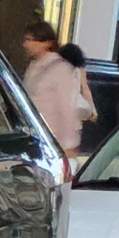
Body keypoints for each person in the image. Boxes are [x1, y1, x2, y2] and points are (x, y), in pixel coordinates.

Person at [20, 21, 93, 164]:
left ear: (47, 43)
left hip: (53, 143)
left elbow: (68, 108)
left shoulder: (61, 69)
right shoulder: (33, 67)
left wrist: (68, 145)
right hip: (35, 139)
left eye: (30, 40)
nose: (25, 44)